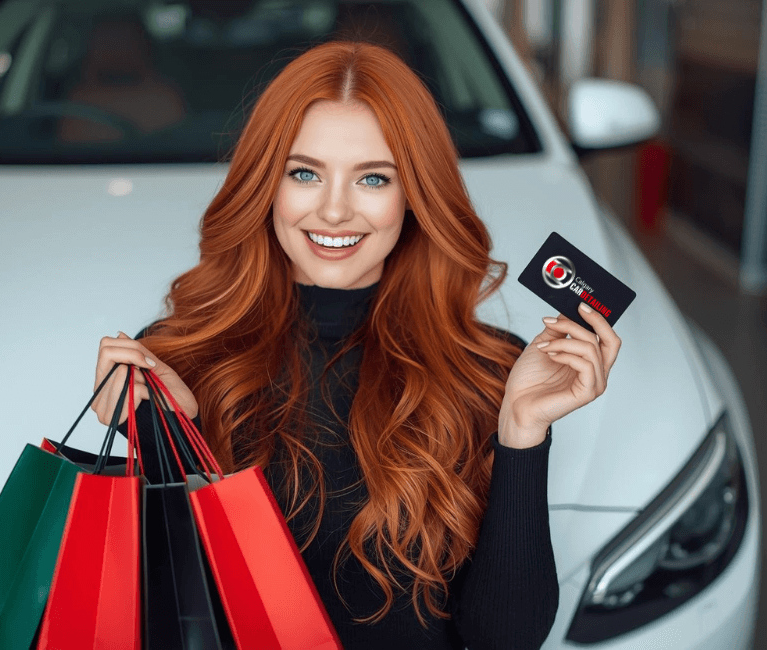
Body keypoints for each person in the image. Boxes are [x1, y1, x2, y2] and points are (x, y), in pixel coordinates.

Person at [91, 41, 622, 650]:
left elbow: (503, 637)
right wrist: (169, 438)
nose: (335, 210)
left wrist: (523, 429)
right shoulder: (175, 357)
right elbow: (169, 613)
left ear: (414, 196)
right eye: (305, 173)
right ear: (266, 185)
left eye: (373, 178)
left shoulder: (493, 369)